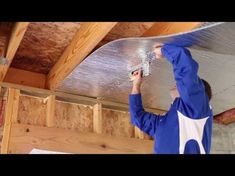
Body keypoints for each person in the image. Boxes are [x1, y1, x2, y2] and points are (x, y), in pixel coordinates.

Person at [129, 44, 213, 154]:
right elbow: (186, 72)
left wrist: (136, 85)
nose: (178, 84)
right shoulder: (196, 110)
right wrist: (165, 51)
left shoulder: (166, 123)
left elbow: (138, 118)